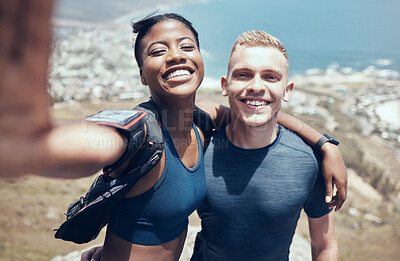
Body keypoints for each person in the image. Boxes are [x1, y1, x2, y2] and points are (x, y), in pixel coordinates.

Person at [1, 2, 345, 259]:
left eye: (186, 46)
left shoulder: (199, 123)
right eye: (157, 51)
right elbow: (95, 142)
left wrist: (324, 144)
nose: (175, 56)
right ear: (142, 73)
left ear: (200, 59)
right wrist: (32, 147)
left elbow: (256, 111)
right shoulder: (137, 133)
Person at [190, 30, 338, 260]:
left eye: (270, 77)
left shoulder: (308, 162)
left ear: (287, 91)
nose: (256, 86)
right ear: (225, 85)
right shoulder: (199, 151)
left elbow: (324, 246)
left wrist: (325, 145)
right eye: (243, 75)